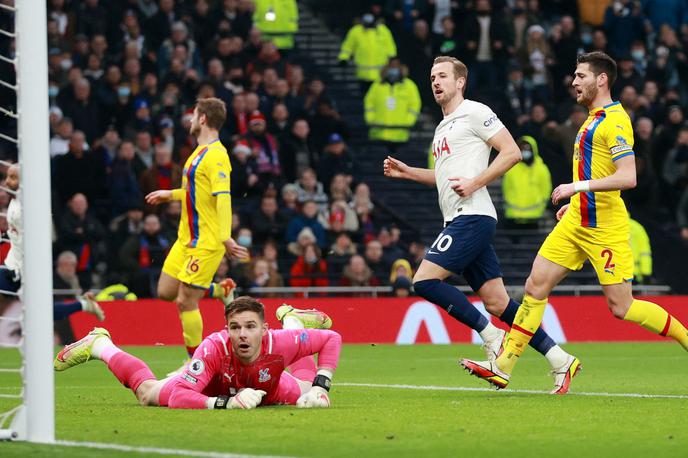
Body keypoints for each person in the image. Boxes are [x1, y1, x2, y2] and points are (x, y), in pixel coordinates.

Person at [462, 52, 688, 390]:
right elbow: (599, 170)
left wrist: (575, 188)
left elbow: (628, 177)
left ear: (601, 80)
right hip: (577, 220)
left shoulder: (616, 121)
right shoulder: (591, 118)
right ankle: (504, 365)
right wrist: (578, 202)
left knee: (621, 306)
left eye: (581, 75)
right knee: (535, 285)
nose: (574, 81)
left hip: (604, 228)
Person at [383, 56, 578, 393]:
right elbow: (444, 177)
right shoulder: (442, 127)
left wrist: (475, 183)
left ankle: (490, 335)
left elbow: (512, 152)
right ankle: (560, 358)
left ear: (461, 82)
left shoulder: (474, 111)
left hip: (472, 216)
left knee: (424, 281)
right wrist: (409, 172)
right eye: (432, 77)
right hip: (462, 216)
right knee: (498, 303)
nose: (436, 81)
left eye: (443, 76)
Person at [55, 296, 340, 409]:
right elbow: (180, 395)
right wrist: (224, 404)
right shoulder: (215, 347)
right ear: (227, 328)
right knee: (147, 395)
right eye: (235, 327)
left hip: (271, 388)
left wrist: (321, 387)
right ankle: (100, 344)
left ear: (264, 329)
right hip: (211, 389)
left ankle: (293, 319)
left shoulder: (277, 342)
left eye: (250, 327)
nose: (242, 334)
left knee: (307, 390)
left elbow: (331, 339)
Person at [145, 97, 248, 364]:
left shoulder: (217, 156)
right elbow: (196, 194)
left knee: (185, 301)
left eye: (193, 116)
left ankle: (196, 364)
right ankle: (220, 290)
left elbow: (222, 198)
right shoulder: (198, 153)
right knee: (166, 292)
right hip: (185, 239)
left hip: (207, 241)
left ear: (202, 119)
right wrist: (170, 194)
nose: (190, 120)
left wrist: (225, 236)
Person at [0, 165, 104, 326]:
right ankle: (84, 305)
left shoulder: (31, 207)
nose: (7, 181)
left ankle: (83, 305)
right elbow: (15, 231)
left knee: (41, 314)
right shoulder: (14, 201)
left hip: (25, 270)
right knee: (40, 313)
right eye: (7, 176)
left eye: (12, 178)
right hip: (13, 264)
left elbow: (42, 239)